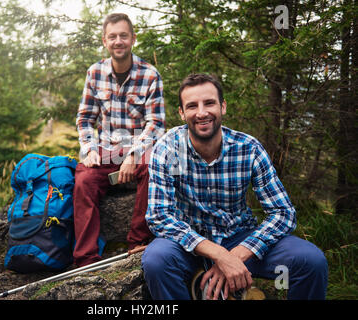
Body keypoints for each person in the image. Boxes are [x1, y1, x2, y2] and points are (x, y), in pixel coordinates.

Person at [141, 73, 328, 300]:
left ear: (223, 107)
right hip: (189, 244)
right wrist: (218, 254)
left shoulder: (248, 148)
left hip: (240, 237)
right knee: (156, 260)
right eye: (192, 106)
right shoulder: (168, 150)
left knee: (312, 262)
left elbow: (283, 213)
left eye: (209, 103)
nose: (201, 113)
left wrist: (237, 255)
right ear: (181, 113)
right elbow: (159, 216)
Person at [73, 13, 165, 267]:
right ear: (105, 41)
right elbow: (84, 119)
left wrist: (134, 155)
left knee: (156, 169)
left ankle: (137, 243)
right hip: (106, 151)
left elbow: (156, 124)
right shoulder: (95, 73)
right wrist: (90, 149)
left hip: (139, 150)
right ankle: (86, 258)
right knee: (83, 179)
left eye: (124, 35)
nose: (118, 41)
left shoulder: (150, 75)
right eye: (112, 36)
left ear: (133, 39)